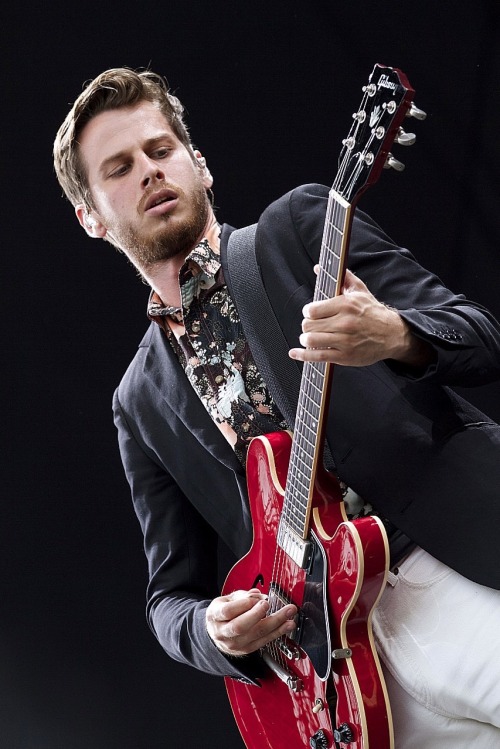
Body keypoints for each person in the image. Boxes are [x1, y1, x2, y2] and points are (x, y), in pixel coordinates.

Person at [53, 67, 500, 747]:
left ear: (198, 165)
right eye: (118, 168)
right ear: (90, 217)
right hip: (337, 667)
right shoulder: (138, 402)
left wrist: (395, 333)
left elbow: (480, 331)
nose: (147, 171)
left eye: (160, 150)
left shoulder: (299, 229)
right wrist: (209, 630)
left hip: (451, 566)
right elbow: (169, 594)